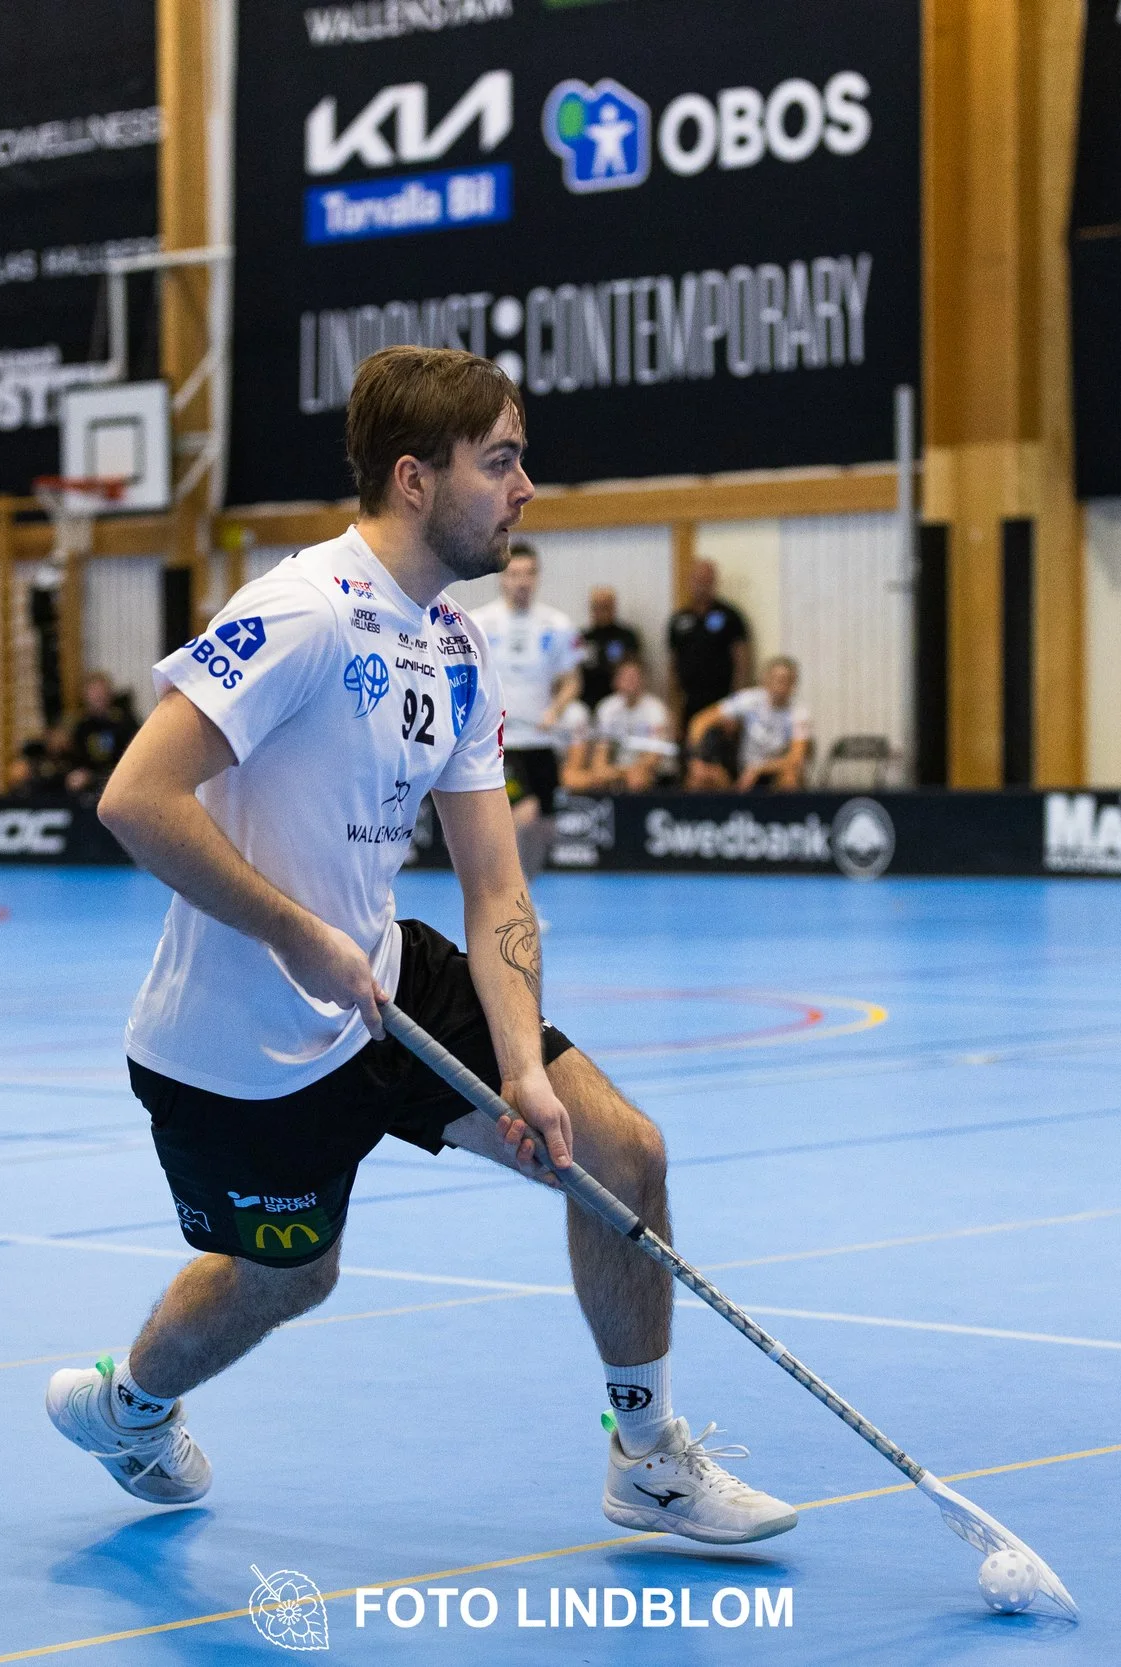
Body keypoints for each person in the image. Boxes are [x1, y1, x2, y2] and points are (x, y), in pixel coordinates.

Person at [45, 344, 794, 1548]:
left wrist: (523, 1067)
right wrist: (296, 933)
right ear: (413, 477)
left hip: (385, 983)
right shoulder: (298, 612)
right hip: (239, 1049)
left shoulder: (454, 645)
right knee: (290, 1276)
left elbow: (496, 882)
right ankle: (128, 1406)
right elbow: (136, 796)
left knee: (619, 1154)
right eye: (499, 460)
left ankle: (646, 1454)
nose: (524, 487)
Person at [477, 543, 582, 882]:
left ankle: (525, 894)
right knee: (525, 814)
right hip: (503, 742)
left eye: (528, 574)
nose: (521, 581)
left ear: (537, 577)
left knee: (545, 828)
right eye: (514, 574)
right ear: (502, 577)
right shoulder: (480, 623)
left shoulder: (557, 625)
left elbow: (572, 682)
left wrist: (555, 710)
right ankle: (510, 895)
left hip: (541, 740)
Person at [685, 656, 812, 791]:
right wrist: (696, 758)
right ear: (766, 680)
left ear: (793, 684)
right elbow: (700, 721)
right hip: (741, 769)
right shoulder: (749, 700)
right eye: (777, 679)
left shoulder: (799, 714)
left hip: (774, 769)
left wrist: (758, 769)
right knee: (700, 775)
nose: (781, 686)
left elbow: (796, 758)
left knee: (790, 777)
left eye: (786, 681)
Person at [565, 659, 677, 794]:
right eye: (625, 677)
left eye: (634, 677)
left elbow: (653, 758)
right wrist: (604, 771)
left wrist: (627, 771)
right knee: (584, 777)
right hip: (618, 768)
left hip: (654, 772)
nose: (630, 682)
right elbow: (600, 753)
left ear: (643, 680)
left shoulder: (656, 710)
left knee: (636, 779)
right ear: (615, 681)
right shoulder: (607, 708)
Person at [665, 560, 752, 730]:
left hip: (722, 701)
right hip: (689, 701)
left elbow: (742, 664)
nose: (701, 586)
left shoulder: (730, 616)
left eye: (706, 580)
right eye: (697, 580)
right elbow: (673, 667)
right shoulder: (678, 620)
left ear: (714, 583)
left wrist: (736, 706)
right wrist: (674, 709)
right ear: (690, 582)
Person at [62, 673, 140, 799]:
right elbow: (76, 759)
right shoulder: (82, 726)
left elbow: (134, 759)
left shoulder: (124, 722)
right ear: (85, 695)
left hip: (120, 780)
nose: (98, 696)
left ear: (109, 693)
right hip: (90, 783)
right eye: (93, 692)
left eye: (101, 692)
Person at [576, 585, 642, 710]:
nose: (601, 611)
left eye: (605, 606)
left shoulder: (627, 636)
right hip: (587, 700)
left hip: (619, 700)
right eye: (597, 606)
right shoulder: (581, 638)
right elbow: (574, 673)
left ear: (613, 607)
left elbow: (633, 671)